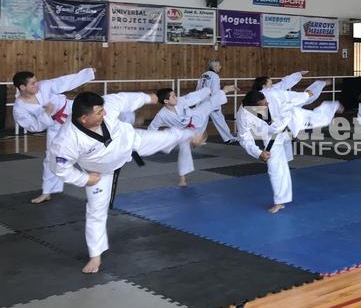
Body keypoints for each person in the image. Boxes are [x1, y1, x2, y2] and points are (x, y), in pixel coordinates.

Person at [47, 91, 204, 273]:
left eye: (102, 110)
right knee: (96, 211)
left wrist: (149, 98)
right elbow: (59, 168)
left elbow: (126, 99)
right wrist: (84, 179)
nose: (104, 114)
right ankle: (95, 256)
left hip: (130, 142)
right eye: (98, 113)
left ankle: (189, 134)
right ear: (84, 118)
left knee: (165, 137)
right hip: (99, 172)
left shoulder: (108, 106)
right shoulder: (66, 140)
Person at [236, 90, 341, 213]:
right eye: (264, 103)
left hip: (289, 117)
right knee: (274, 168)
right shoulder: (243, 116)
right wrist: (258, 153)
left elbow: (286, 95)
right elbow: (244, 138)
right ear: (254, 106)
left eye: (266, 101)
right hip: (272, 136)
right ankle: (279, 201)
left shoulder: (270, 95)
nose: (268, 103)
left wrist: (305, 95)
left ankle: (331, 106)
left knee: (319, 119)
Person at [12, 67, 95, 204]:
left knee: (91, 144)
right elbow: (34, 127)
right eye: (32, 83)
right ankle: (47, 191)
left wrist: (88, 74)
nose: (37, 84)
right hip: (55, 126)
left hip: (73, 112)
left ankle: (99, 181)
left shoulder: (44, 86)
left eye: (36, 81)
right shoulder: (19, 109)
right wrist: (47, 114)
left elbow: (66, 81)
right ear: (22, 87)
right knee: (52, 158)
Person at [149, 85, 236, 186]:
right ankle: (182, 178)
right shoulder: (161, 115)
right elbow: (152, 128)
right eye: (173, 96)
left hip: (195, 118)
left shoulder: (180, 101)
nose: (176, 97)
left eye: (175, 95)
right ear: (166, 101)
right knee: (184, 150)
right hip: (183, 132)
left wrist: (207, 90)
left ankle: (224, 90)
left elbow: (193, 96)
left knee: (208, 104)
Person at [196, 60, 236, 144]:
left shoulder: (203, 74)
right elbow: (215, 91)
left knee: (202, 121)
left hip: (201, 100)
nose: (220, 67)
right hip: (211, 101)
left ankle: (196, 139)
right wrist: (216, 102)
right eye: (219, 66)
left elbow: (198, 88)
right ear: (214, 67)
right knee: (219, 120)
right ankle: (228, 138)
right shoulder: (215, 76)